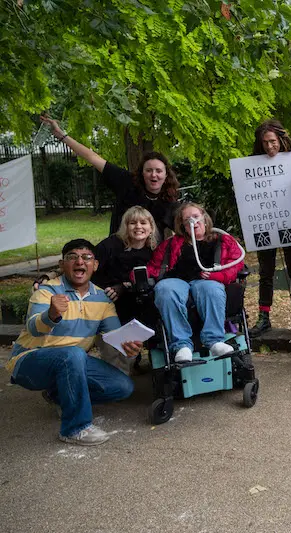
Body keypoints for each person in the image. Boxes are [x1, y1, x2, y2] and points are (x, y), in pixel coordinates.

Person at [6, 239, 142, 446]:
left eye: (87, 257)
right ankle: (75, 428)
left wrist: (128, 346)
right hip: (29, 362)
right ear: (62, 265)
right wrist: (51, 314)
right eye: (72, 257)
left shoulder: (102, 299)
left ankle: (58, 395)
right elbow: (33, 327)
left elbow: (115, 335)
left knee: (122, 386)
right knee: (72, 354)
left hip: (72, 362)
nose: (80, 261)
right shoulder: (46, 291)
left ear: (95, 265)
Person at [39, 116, 180, 237]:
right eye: (149, 170)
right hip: (119, 253)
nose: (153, 175)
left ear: (166, 174)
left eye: (158, 171)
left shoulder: (169, 200)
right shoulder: (127, 182)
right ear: (142, 173)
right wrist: (61, 135)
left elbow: (184, 230)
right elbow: (93, 157)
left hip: (151, 260)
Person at [145, 203, 244, 363]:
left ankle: (214, 341)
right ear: (182, 225)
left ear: (204, 218)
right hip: (177, 280)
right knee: (165, 289)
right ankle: (181, 345)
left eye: (196, 217)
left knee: (212, 289)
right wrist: (137, 276)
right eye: (187, 219)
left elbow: (236, 265)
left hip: (208, 280)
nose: (193, 222)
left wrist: (216, 277)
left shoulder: (223, 240)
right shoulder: (170, 244)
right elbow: (154, 267)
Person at [250, 119, 291, 334]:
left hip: (290, 220)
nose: (270, 147)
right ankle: (264, 316)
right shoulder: (253, 163)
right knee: (265, 272)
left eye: (273, 141)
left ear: (281, 139)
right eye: (265, 143)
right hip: (264, 222)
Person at [93, 206, 159, 325]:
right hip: (110, 298)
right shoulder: (110, 245)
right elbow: (91, 268)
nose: (138, 226)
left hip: (143, 300)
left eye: (143, 223)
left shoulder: (155, 250)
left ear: (151, 228)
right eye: (132, 223)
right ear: (126, 227)